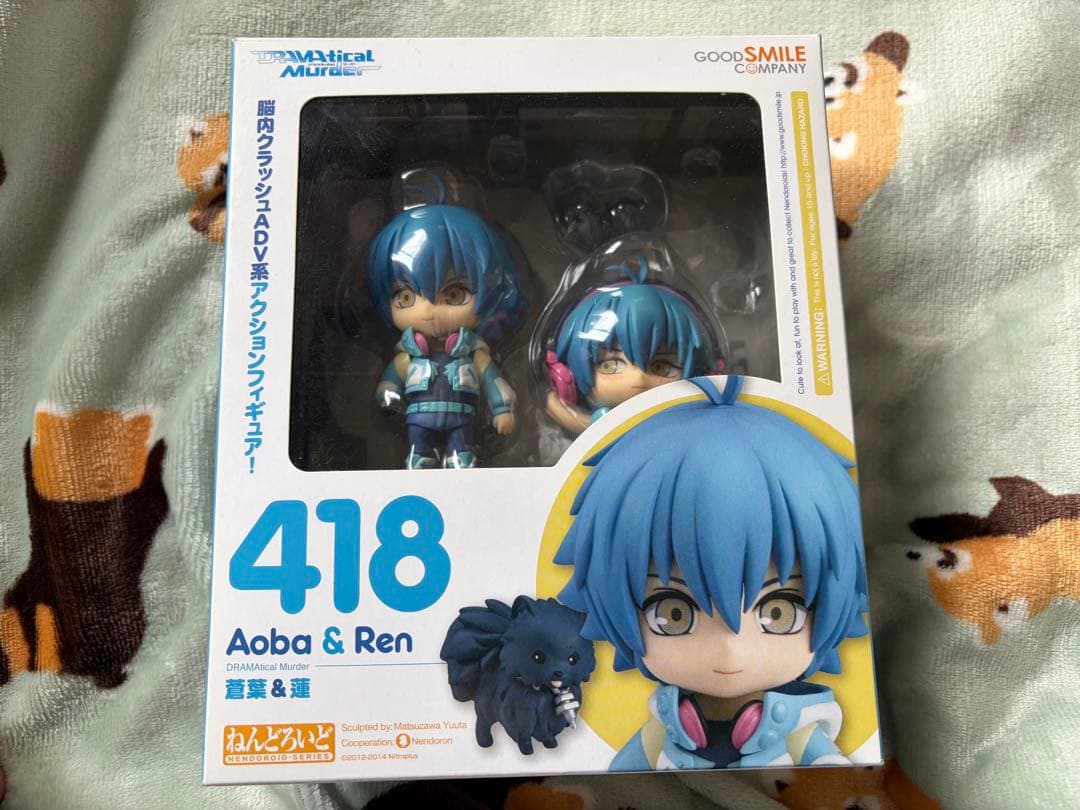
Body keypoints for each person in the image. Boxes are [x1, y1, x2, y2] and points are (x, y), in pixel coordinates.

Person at [554, 375, 868, 769]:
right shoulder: (666, 730)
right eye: (674, 614)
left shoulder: (797, 732)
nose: (730, 649)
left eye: (779, 613)